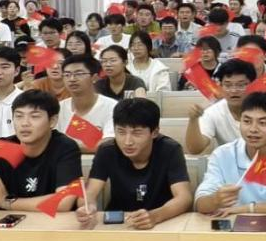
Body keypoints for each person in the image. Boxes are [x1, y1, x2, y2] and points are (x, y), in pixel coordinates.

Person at [0, 89, 83, 213]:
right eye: (19, 116)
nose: (24, 123)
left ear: (52, 121)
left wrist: (8, 202)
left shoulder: (65, 147)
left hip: (53, 223)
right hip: (10, 224)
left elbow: (63, 202)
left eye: (34, 116)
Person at [77, 98, 192, 230]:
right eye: (121, 132)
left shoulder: (170, 149)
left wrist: (155, 216)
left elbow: (184, 197)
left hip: (161, 223)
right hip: (119, 223)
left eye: (137, 133)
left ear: (154, 132)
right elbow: (89, 193)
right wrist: (87, 207)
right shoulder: (107, 150)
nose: (127, 142)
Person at [185, 60, 257, 154]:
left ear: (253, 84)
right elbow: (195, 149)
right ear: (220, 86)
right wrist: (193, 120)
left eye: (241, 85)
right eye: (228, 85)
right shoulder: (213, 112)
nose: (234, 90)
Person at [56, 55, 117, 152]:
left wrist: (68, 148)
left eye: (79, 74)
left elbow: (109, 143)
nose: (72, 79)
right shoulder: (58, 108)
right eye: (67, 75)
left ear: (94, 78)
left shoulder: (112, 107)